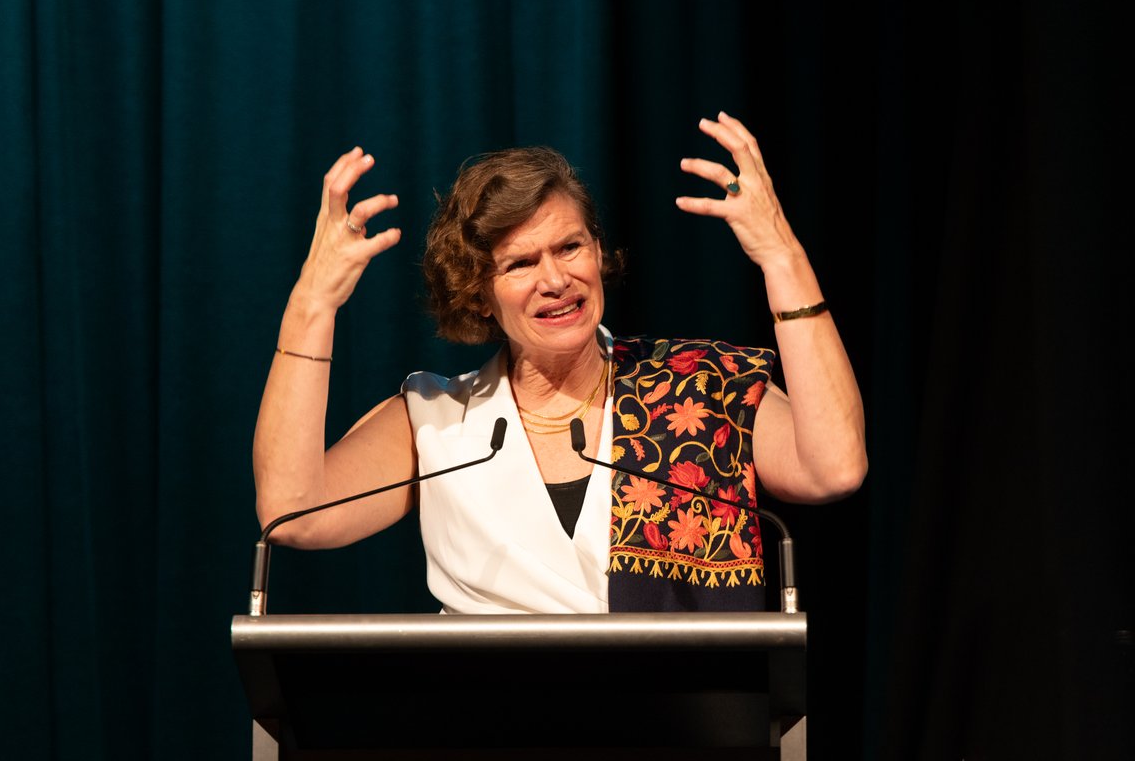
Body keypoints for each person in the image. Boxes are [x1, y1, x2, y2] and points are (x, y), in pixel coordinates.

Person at [253, 112, 867, 613]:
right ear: (478, 292)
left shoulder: (700, 389)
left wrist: (782, 258)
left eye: (571, 247)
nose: (556, 279)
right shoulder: (438, 421)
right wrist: (314, 304)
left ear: (598, 252)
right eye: (520, 263)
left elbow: (834, 467)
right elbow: (291, 513)